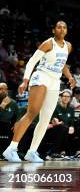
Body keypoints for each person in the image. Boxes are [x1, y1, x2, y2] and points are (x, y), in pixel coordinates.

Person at [2, 21, 75, 162]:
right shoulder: (48, 43)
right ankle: (11, 149)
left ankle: (32, 152)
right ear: (54, 30)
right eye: (59, 27)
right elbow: (32, 61)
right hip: (41, 77)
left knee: (46, 118)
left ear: (66, 31)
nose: (62, 29)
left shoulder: (68, 46)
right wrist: (25, 80)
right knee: (32, 113)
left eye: (64, 27)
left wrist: (70, 77)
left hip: (55, 81)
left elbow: (62, 64)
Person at [45, 89, 76, 160]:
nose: (66, 98)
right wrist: (54, 121)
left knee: (73, 129)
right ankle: (54, 152)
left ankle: (67, 152)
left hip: (66, 128)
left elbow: (72, 119)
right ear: (61, 97)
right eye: (64, 96)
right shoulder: (55, 107)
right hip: (55, 128)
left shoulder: (71, 108)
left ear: (70, 98)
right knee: (63, 128)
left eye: (68, 97)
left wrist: (72, 126)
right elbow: (52, 119)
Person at [0, 82, 18, 152]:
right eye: (1, 89)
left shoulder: (13, 103)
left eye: (5, 89)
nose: (3, 91)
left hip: (7, 125)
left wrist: (16, 124)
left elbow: (17, 116)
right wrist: (3, 105)